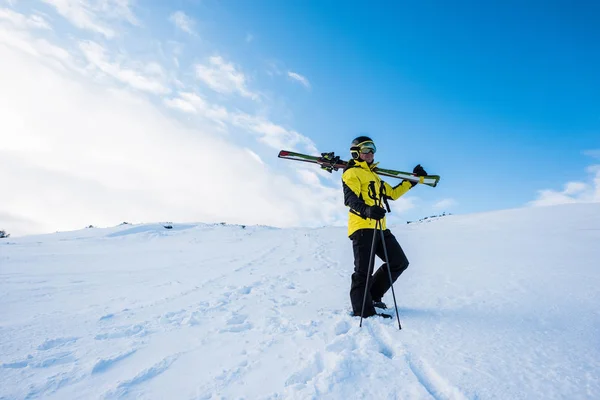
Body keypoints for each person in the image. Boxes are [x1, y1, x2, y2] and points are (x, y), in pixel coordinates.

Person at [342, 136, 428, 318]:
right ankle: (363, 312)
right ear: (356, 152)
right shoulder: (351, 173)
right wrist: (367, 210)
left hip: (380, 227)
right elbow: (350, 199)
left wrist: (411, 181)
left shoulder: (374, 176)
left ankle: (373, 296)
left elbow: (393, 194)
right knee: (363, 271)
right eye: (366, 149)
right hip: (362, 228)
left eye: (372, 148)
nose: (370, 152)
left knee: (399, 262)